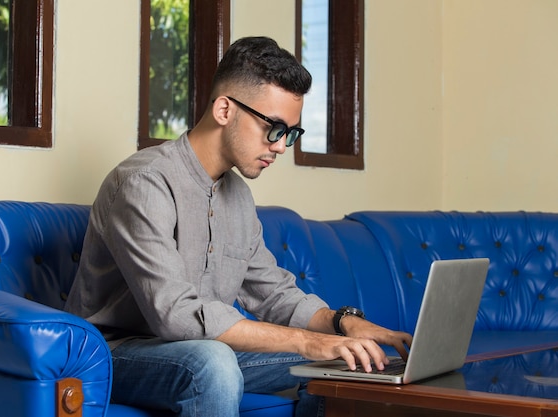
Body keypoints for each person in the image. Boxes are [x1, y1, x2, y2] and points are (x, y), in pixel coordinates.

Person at [65, 36, 412, 417]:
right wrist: (308, 342)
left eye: (291, 134)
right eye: (274, 128)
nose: (281, 147)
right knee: (213, 364)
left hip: (201, 351)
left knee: (350, 363)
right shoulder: (144, 183)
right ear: (225, 110)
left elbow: (272, 294)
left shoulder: (238, 197)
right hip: (116, 354)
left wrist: (344, 326)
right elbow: (176, 317)